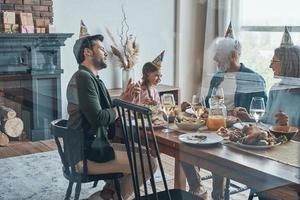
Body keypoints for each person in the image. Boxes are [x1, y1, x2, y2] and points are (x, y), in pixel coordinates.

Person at [66, 20, 157, 200]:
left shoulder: (91, 78)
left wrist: (125, 99)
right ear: (87, 52)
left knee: (144, 153)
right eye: (101, 49)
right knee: (150, 164)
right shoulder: (83, 78)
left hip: (91, 146)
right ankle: (113, 197)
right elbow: (99, 119)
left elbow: (105, 113)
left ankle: (107, 194)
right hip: (85, 154)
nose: (106, 52)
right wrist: (122, 101)